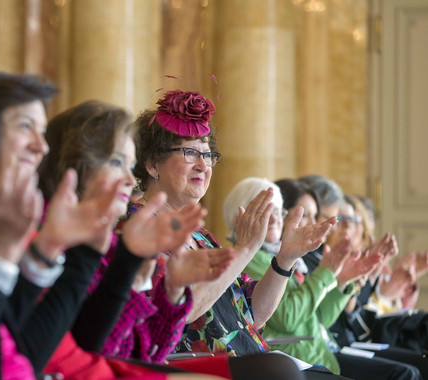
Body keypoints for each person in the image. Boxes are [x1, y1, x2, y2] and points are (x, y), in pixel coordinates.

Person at [130, 89, 334, 359]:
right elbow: (178, 311)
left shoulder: (201, 237)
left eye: (208, 154)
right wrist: (245, 250)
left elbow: (254, 314)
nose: (204, 166)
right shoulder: (135, 229)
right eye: (190, 152)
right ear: (152, 163)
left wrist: (285, 259)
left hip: (252, 363)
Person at [37, 100, 236, 368]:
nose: (131, 180)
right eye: (117, 162)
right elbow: (95, 353)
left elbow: (142, 353)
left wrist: (174, 290)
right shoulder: (59, 238)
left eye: (129, 165)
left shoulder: (104, 241)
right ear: (75, 165)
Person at [259, 179, 421, 380]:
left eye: (354, 221)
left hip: (326, 348)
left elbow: (322, 318)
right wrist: (347, 279)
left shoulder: (309, 258)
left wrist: (352, 281)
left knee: (414, 362)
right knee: (407, 370)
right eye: (333, 218)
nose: (318, 224)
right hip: (306, 354)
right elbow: (293, 319)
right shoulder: (300, 259)